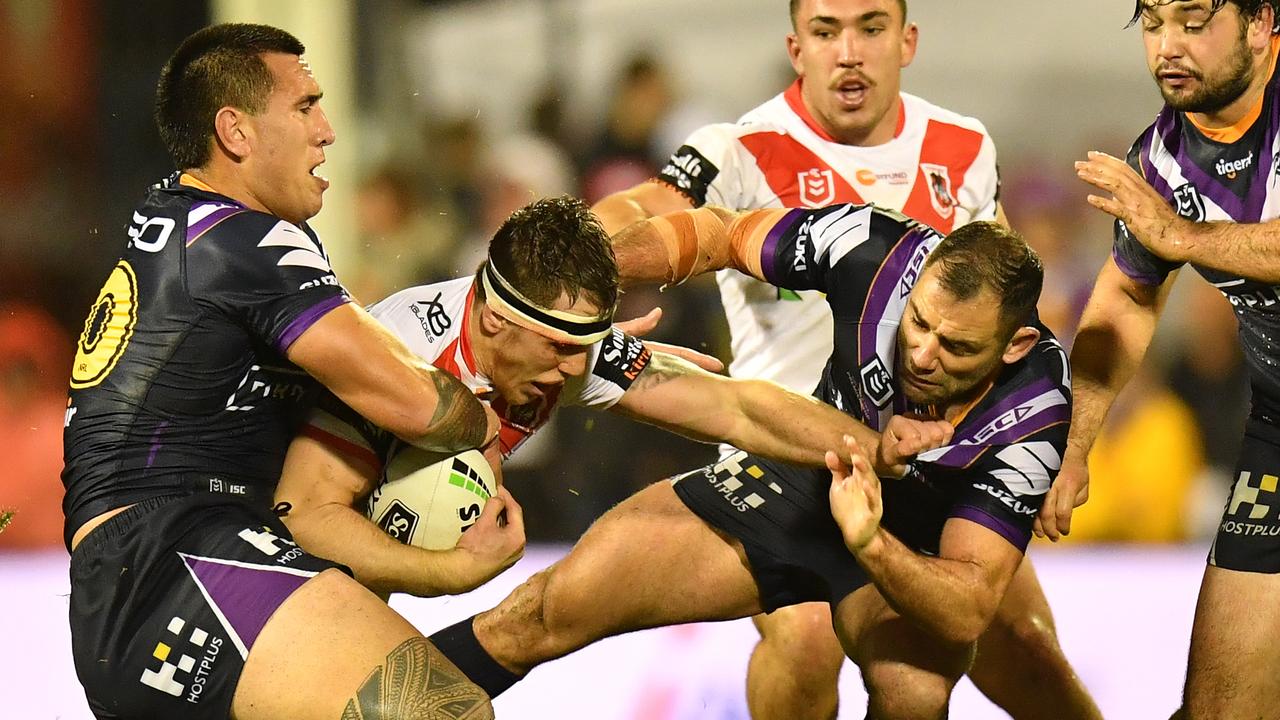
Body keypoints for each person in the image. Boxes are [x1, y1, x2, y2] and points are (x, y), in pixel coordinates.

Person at [591, 1, 1098, 718]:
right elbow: (648, 208)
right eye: (827, 32)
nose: (849, 52)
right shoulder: (740, 148)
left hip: (924, 459)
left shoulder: (962, 146)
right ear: (797, 48)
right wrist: (576, 246)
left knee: (1023, 639)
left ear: (907, 41)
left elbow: (1004, 301)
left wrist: (1049, 448)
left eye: (870, 28)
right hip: (787, 449)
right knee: (804, 641)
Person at [426, 202, 1070, 719]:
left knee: (913, 693)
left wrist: (871, 543)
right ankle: (361, 704)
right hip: (798, 482)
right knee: (541, 614)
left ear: (1016, 344)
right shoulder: (873, 249)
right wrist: (569, 297)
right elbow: (720, 234)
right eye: (919, 323)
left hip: (905, 549)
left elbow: (968, 606)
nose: (923, 355)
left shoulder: (1036, 416)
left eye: (955, 346)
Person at [62, 23, 512, 720]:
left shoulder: (183, 225)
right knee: (442, 711)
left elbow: (307, 501)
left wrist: (444, 572)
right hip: (182, 561)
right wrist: (492, 412)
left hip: (141, 588)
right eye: (305, 106)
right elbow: (418, 402)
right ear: (236, 132)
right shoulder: (237, 238)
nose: (327, 130)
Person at [274, 195, 950, 598]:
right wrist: (450, 573)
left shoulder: (561, 348)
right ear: (491, 321)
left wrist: (878, 451)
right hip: (248, 568)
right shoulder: (400, 354)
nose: (576, 368)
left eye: (587, 345)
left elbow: (734, 408)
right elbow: (301, 516)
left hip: (338, 585)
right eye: (560, 347)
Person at [1060, 0, 1280, 716]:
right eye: (1153, 23)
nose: (1168, 45)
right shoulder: (1159, 160)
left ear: (1258, 22)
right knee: (1220, 705)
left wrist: (1182, 235)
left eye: (1193, 20)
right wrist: (1074, 449)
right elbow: (1124, 299)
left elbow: (1175, 239)